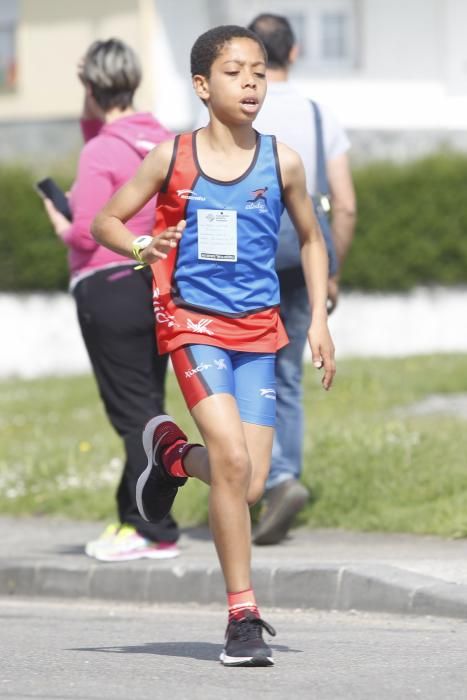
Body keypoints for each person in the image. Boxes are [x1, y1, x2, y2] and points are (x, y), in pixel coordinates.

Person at [92, 25, 335, 667]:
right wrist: (142, 246)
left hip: (259, 329)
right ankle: (242, 616)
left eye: (258, 71)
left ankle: (171, 457)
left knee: (249, 484)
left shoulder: (282, 159)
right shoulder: (171, 157)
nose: (251, 82)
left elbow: (312, 237)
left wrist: (318, 320)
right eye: (234, 71)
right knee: (230, 458)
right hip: (192, 323)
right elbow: (106, 220)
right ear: (202, 85)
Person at [41, 38, 180, 562]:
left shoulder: (101, 150)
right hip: (155, 284)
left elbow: (85, 233)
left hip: (108, 286)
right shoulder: (159, 137)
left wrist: (59, 219)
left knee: (132, 414)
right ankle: (134, 519)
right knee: (147, 407)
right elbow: (94, 129)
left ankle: (155, 529)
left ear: (92, 88)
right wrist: (94, 94)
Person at [247, 13, 357, 545]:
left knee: (243, 372)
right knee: (286, 376)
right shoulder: (318, 114)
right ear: (293, 53)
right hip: (298, 260)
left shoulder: (237, 106)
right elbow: (347, 205)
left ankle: (248, 481)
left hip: (241, 264)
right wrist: (330, 274)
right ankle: (282, 477)